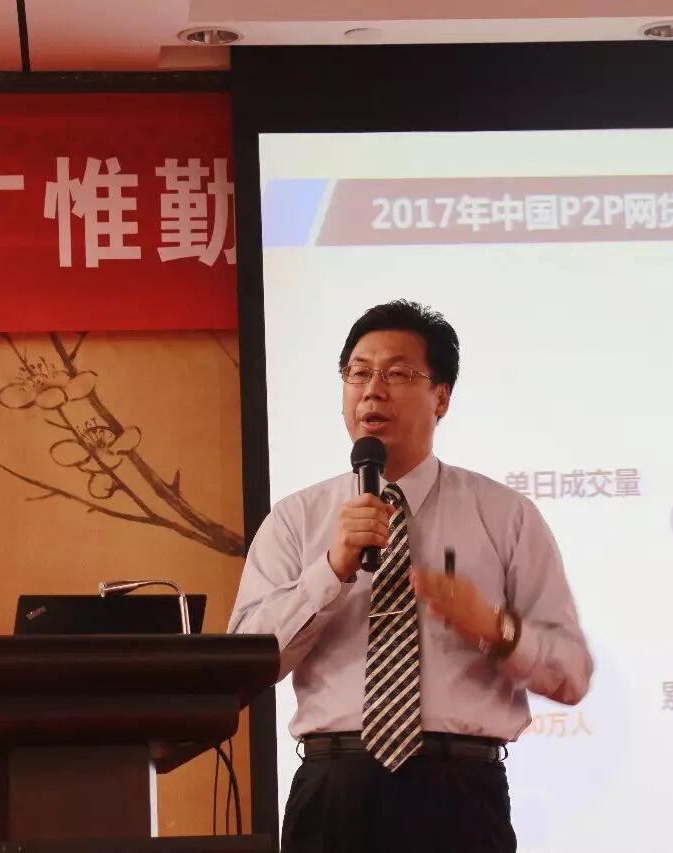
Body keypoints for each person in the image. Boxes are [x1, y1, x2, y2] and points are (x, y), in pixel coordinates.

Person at [229, 299, 592, 853]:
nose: (372, 391)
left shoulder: (506, 516)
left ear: (441, 397)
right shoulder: (297, 518)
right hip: (334, 794)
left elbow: (571, 675)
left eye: (397, 374)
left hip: (460, 795)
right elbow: (243, 665)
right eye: (358, 373)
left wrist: (494, 628)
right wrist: (330, 571)